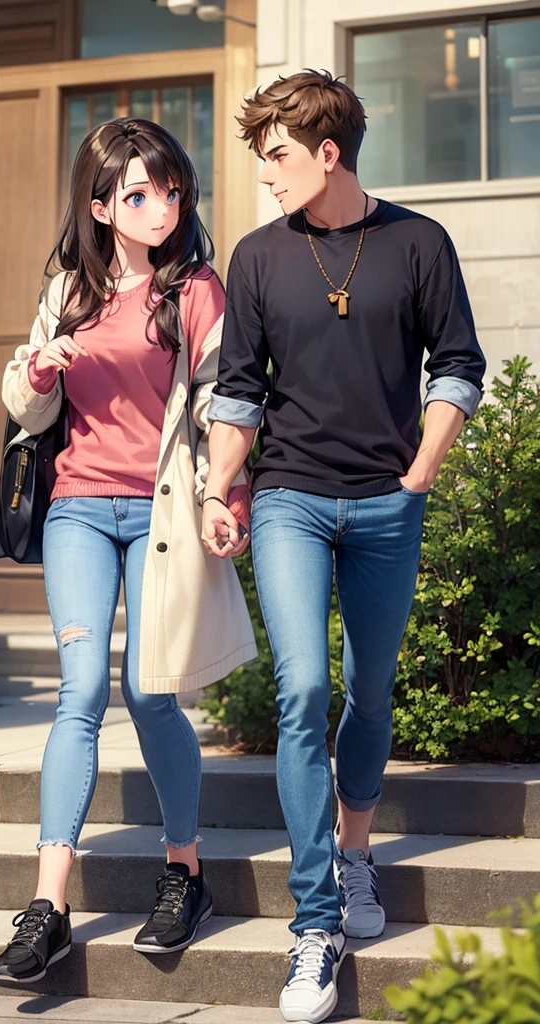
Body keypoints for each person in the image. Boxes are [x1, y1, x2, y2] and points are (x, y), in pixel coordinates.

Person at [201, 71, 486, 1023]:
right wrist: (218, 487)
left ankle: (356, 858)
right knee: (303, 692)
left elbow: (457, 366)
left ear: (329, 152)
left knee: (370, 693)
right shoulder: (256, 257)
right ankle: (314, 923)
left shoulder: (418, 243)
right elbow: (238, 389)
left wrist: (420, 475)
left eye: (277, 155)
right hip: (287, 500)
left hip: (386, 506)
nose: (266, 175)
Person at [0, 117, 256, 989]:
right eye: (139, 194)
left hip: (161, 513)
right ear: (101, 205)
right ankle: (49, 908)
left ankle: (185, 871)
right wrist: (36, 371)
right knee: (81, 691)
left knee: (149, 689)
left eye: (171, 190)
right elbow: (26, 410)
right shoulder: (69, 288)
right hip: (76, 509)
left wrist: (228, 496)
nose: (161, 207)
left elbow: (230, 410)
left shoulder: (197, 292)